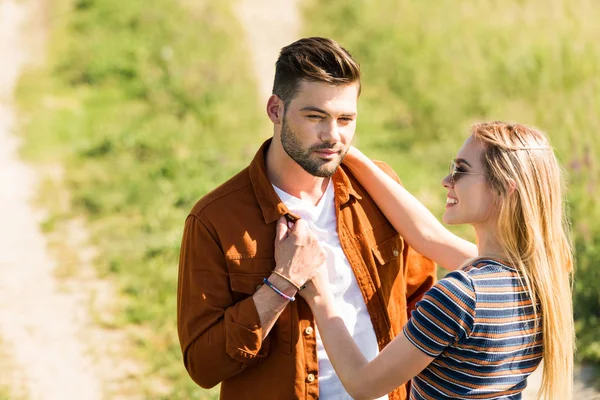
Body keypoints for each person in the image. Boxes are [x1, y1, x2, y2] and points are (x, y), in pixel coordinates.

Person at [177, 37, 447, 400]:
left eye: (345, 119)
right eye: (315, 117)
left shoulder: (378, 190)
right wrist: (282, 283)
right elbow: (203, 367)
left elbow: (419, 300)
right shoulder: (215, 220)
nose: (332, 136)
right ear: (276, 109)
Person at [278, 122, 574, 399]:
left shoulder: (462, 295)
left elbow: (362, 384)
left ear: (504, 189)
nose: (447, 181)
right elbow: (427, 236)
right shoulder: (537, 277)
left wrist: (318, 292)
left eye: (461, 170)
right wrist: (346, 151)